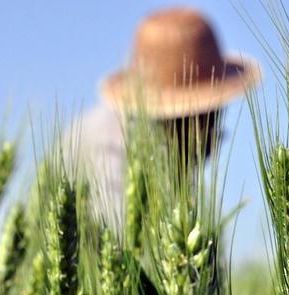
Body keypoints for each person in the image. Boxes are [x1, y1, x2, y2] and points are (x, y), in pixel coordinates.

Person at [72, 6, 260, 216]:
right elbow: (120, 241)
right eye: (211, 114)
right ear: (186, 119)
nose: (217, 132)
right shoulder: (111, 152)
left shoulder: (171, 152)